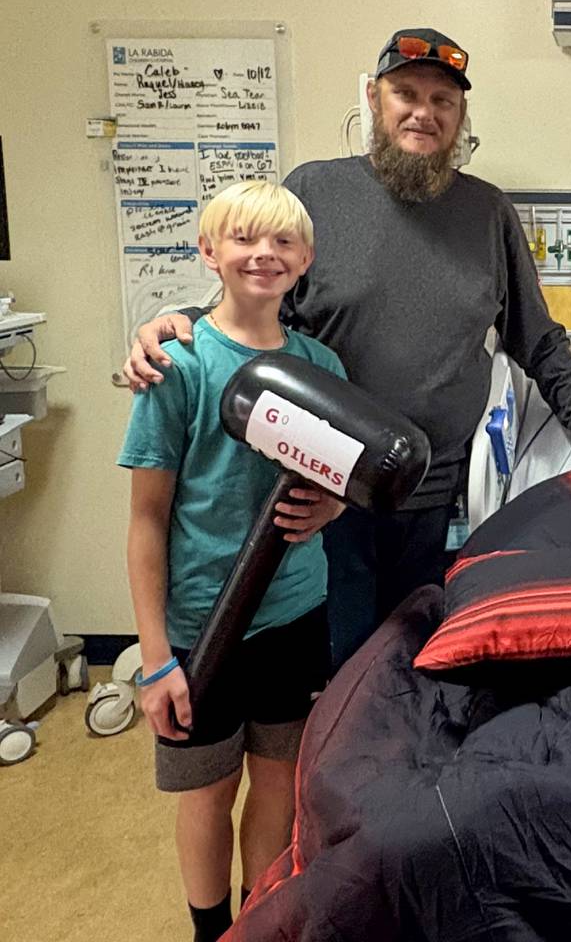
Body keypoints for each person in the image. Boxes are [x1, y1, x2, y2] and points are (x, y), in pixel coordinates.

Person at [122, 27, 571, 667]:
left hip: (431, 490)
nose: (423, 112)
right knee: (338, 662)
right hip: (318, 489)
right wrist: (181, 323)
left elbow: (535, 336)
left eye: (442, 100)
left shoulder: (488, 213)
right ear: (374, 99)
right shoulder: (316, 192)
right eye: (406, 94)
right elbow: (257, 296)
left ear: (459, 115)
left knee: (413, 658)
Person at [117, 181, 347, 942]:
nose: (264, 254)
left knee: (279, 782)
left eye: (283, 242)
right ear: (208, 252)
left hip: (293, 614)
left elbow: (340, 484)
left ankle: (258, 920)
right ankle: (209, 930)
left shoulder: (321, 366)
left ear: (305, 259)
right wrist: (155, 658)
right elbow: (147, 520)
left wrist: (333, 509)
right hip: (199, 626)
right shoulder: (178, 363)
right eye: (244, 238)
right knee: (208, 792)